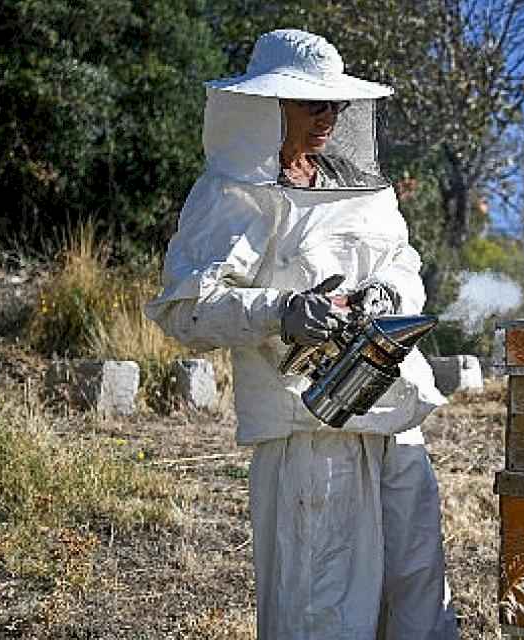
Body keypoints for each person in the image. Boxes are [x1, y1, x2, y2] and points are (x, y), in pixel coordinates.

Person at [146, 29, 457, 639]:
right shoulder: (231, 195)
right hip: (310, 431)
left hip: (395, 417)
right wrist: (280, 310)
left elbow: (406, 267)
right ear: (270, 106)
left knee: (418, 589)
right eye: (313, 102)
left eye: (335, 104)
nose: (329, 116)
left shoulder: (361, 188)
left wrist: (386, 296)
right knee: (325, 605)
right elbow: (184, 310)